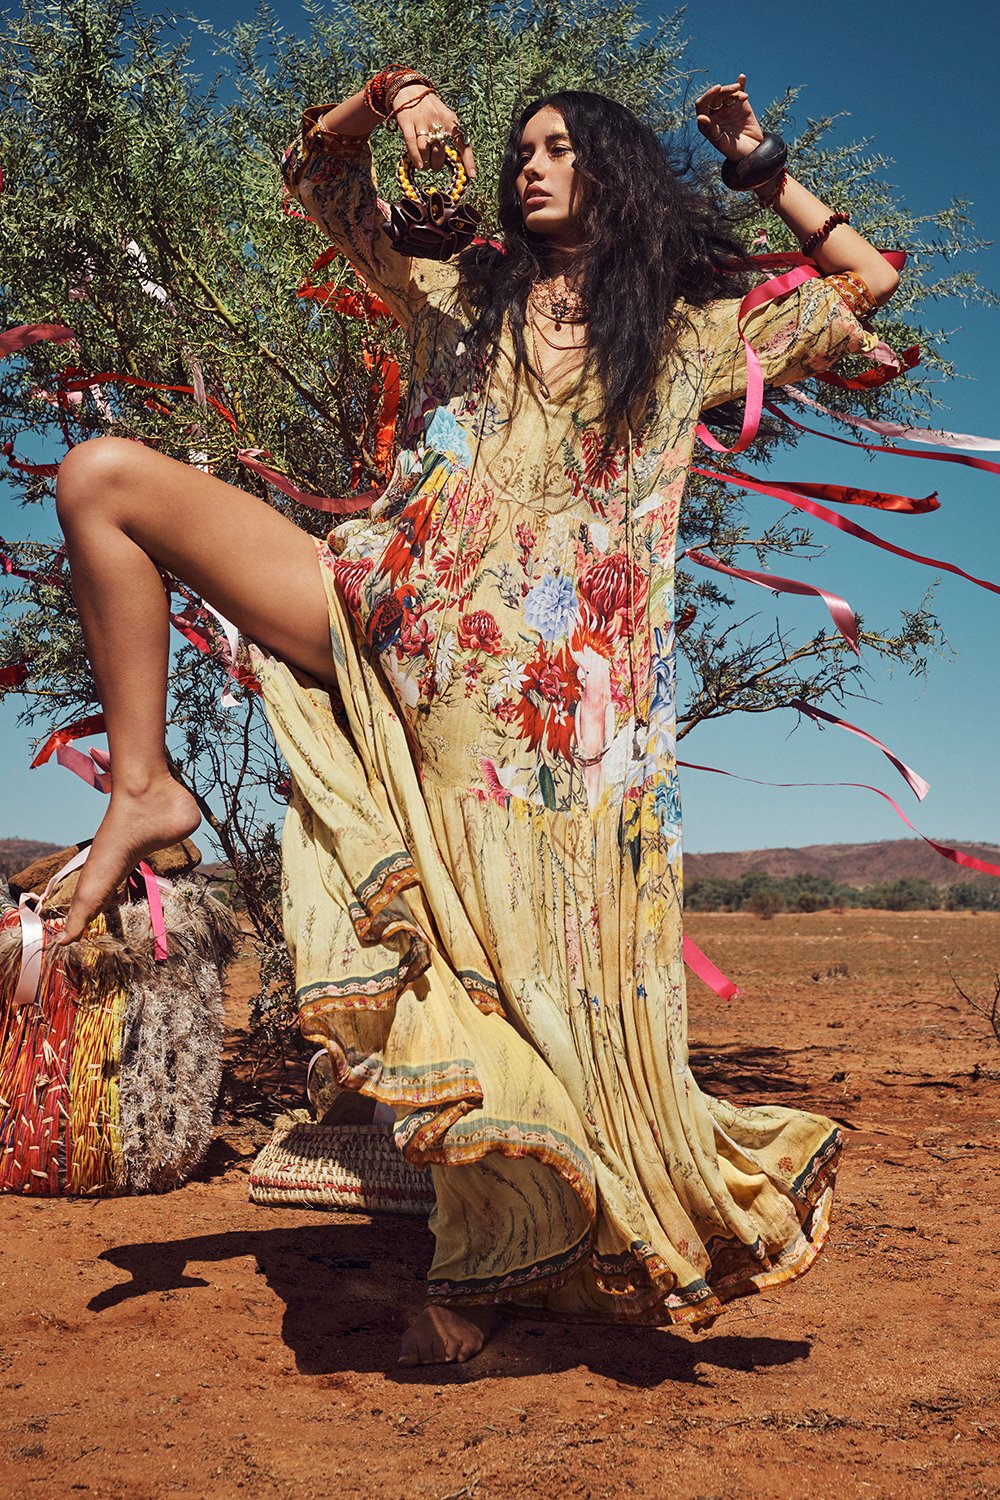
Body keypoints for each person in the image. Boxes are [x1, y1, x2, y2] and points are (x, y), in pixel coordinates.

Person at [52, 67, 898, 1366]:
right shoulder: (458, 294)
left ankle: (490, 1282)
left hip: (544, 718)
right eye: (523, 150)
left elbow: (863, 288)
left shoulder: (687, 332)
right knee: (101, 480)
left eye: (562, 148)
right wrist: (389, 102)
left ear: (614, 172)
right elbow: (314, 184)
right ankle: (143, 790)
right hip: (395, 611)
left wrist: (756, 157)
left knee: (509, 990)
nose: (533, 165)